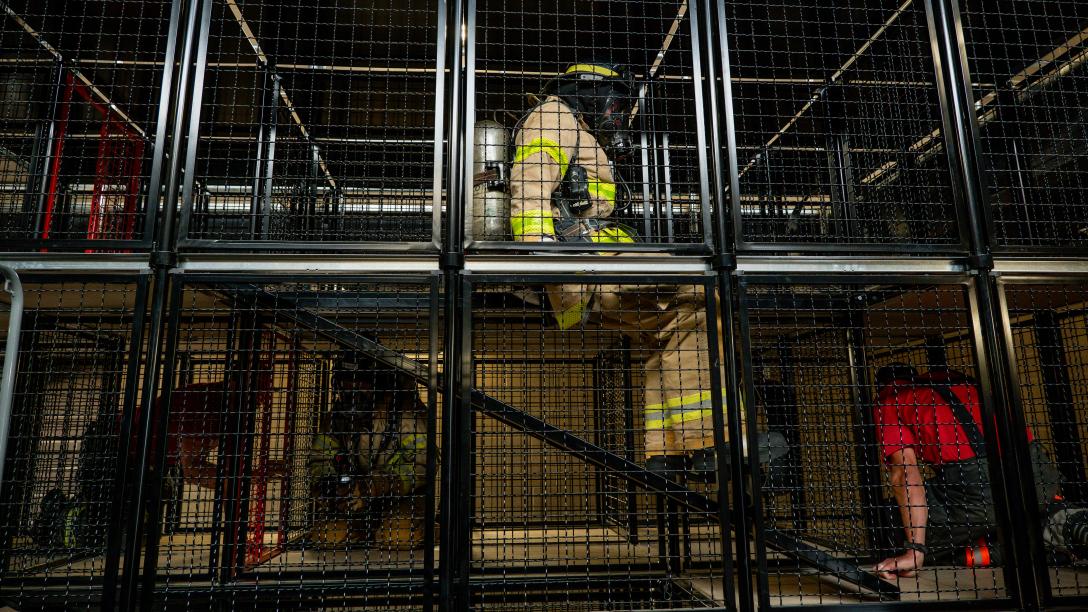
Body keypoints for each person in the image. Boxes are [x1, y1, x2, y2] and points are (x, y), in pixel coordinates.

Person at [507, 61, 727, 478]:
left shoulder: (577, 128)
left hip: (592, 264)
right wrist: (544, 255)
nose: (619, 112)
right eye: (616, 100)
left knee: (660, 333)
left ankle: (666, 451)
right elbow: (531, 182)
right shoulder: (553, 116)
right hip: (586, 265)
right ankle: (710, 443)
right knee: (699, 296)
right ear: (588, 92)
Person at [872, 363, 1088, 579]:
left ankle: (1036, 540)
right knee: (995, 513)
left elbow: (905, 474)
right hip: (1038, 472)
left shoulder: (888, 398)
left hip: (978, 484)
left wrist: (914, 549)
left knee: (892, 527)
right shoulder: (953, 376)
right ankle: (1060, 521)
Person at [34, 377, 280, 550]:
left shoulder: (227, 410)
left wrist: (249, 475)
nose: (263, 400)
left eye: (265, 395)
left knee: (130, 533)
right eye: (260, 393)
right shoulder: (207, 409)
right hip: (113, 445)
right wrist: (248, 477)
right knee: (103, 529)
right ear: (239, 386)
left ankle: (72, 516)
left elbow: (225, 474)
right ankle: (56, 518)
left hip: (140, 457)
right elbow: (194, 471)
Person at [307, 353, 429, 550]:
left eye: (359, 382)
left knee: (399, 536)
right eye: (346, 381)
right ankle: (367, 530)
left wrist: (379, 485)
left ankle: (431, 528)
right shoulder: (335, 418)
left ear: (376, 381)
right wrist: (328, 487)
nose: (351, 388)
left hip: (404, 498)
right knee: (327, 536)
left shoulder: (405, 413)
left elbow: (424, 463)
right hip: (356, 501)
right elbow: (320, 459)